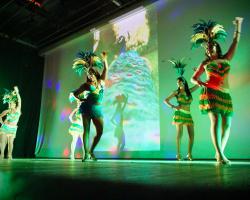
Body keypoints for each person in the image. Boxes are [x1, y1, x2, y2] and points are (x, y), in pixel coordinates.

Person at [190, 17, 243, 164]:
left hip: (225, 95)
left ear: (216, 46)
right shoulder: (205, 63)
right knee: (216, 121)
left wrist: (238, 25)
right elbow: (193, 78)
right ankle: (220, 155)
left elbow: (235, 42)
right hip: (211, 92)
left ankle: (219, 153)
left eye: (210, 45)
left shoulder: (226, 57)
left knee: (227, 125)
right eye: (206, 48)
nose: (208, 48)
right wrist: (199, 82)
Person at [72, 50, 108, 161]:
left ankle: (91, 151)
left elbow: (106, 69)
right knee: (86, 131)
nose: (90, 75)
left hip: (97, 108)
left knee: (100, 131)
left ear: (95, 73)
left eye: (91, 73)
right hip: (87, 108)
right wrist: (80, 99)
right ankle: (86, 154)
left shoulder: (101, 81)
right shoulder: (86, 85)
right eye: (88, 74)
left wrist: (105, 59)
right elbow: (74, 93)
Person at [164, 60, 198, 161]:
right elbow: (165, 100)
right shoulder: (176, 92)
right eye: (177, 82)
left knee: (192, 135)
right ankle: (178, 154)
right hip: (179, 113)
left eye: (180, 82)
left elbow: (198, 85)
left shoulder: (189, 91)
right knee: (179, 135)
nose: (178, 83)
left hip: (188, 114)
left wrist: (197, 74)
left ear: (184, 82)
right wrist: (173, 107)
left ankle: (189, 154)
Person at [0, 86, 21, 160]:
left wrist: (17, 92)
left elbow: (19, 100)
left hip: (13, 129)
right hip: (5, 127)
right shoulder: (7, 111)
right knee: (3, 142)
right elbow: (0, 116)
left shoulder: (18, 110)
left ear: (15, 104)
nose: (10, 104)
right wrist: (2, 122)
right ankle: (2, 154)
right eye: (10, 103)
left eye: (12, 103)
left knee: (10, 142)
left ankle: (9, 155)